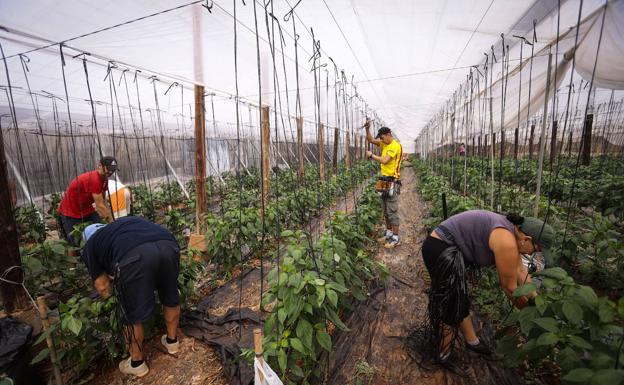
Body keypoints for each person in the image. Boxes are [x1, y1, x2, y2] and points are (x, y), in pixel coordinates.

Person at [419, 210, 553, 373]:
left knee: (459, 297)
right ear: (527, 239)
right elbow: (510, 287)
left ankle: (472, 342)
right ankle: (443, 355)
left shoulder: (513, 234)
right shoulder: (507, 241)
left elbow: (521, 272)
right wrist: (531, 314)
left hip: (449, 248)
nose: (534, 254)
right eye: (536, 250)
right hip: (439, 248)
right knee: (450, 304)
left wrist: (535, 299)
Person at [81, 217, 181, 377]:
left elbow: (103, 287)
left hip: (135, 256)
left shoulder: (90, 245)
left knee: (130, 313)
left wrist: (121, 288)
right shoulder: (120, 227)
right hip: (168, 243)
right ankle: (172, 342)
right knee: (170, 294)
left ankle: (137, 363)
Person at [57, 156, 117, 246]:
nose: (111, 172)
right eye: (108, 169)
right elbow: (100, 206)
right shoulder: (94, 179)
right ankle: (75, 259)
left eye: (113, 170)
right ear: (100, 166)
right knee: (73, 242)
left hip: (86, 209)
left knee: (100, 230)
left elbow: (104, 201)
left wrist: (112, 221)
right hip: (70, 212)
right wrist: (113, 225)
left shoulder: (104, 179)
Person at [365, 121, 403, 249]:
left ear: (388, 134)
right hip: (383, 180)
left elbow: (385, 160)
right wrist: (367, 129)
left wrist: (371, 156)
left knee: (392, 210)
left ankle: (396, 238)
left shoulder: (394, 146)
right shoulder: (384, 143)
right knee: (385, 210)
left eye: (381, 137)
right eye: (380, 138)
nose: (380, 140)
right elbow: (370, 139)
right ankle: (389, 233)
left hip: (392, 181)